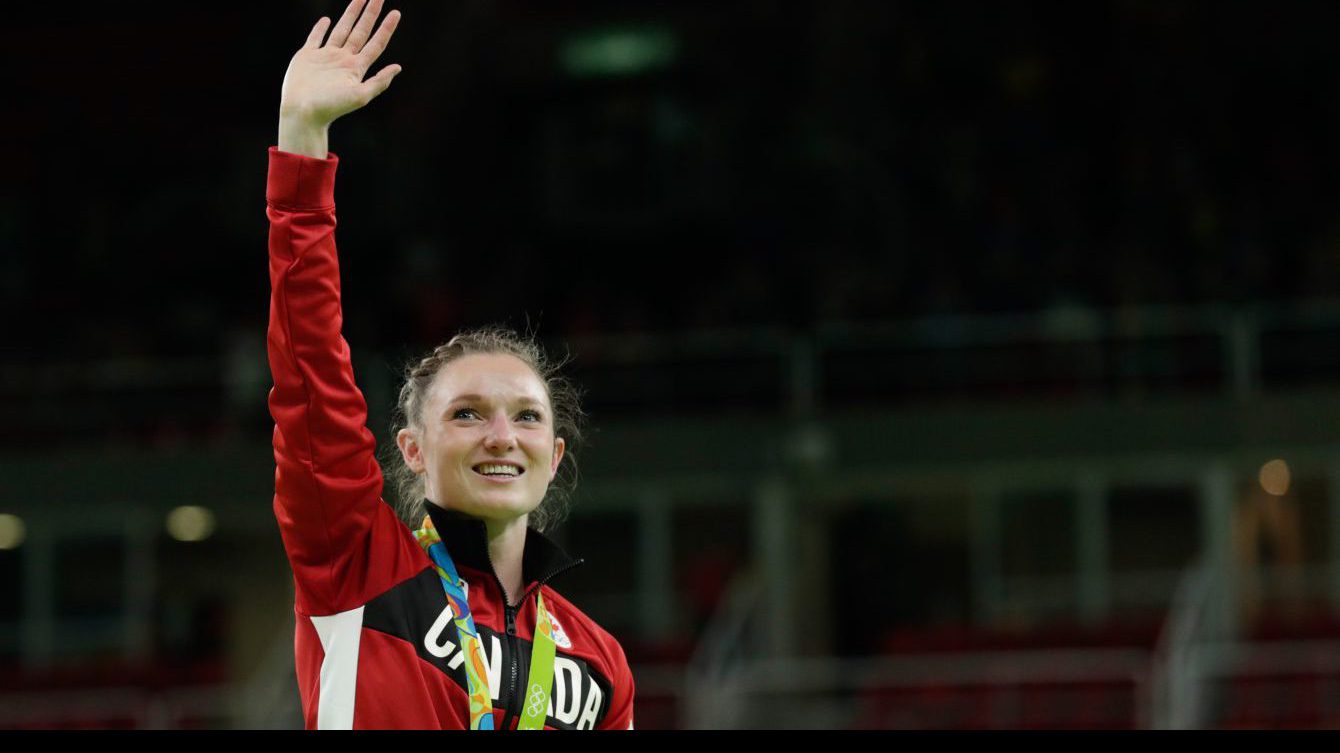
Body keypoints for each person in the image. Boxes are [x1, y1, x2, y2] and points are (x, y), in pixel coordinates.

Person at [266, 0, 634, 729]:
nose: (502, 435)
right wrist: (302, 141)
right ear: (411, 447)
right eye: (467, 413)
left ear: (554, 455)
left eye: (527, 417)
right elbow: (309, 365)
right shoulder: (356, 563)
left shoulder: (600, 665)